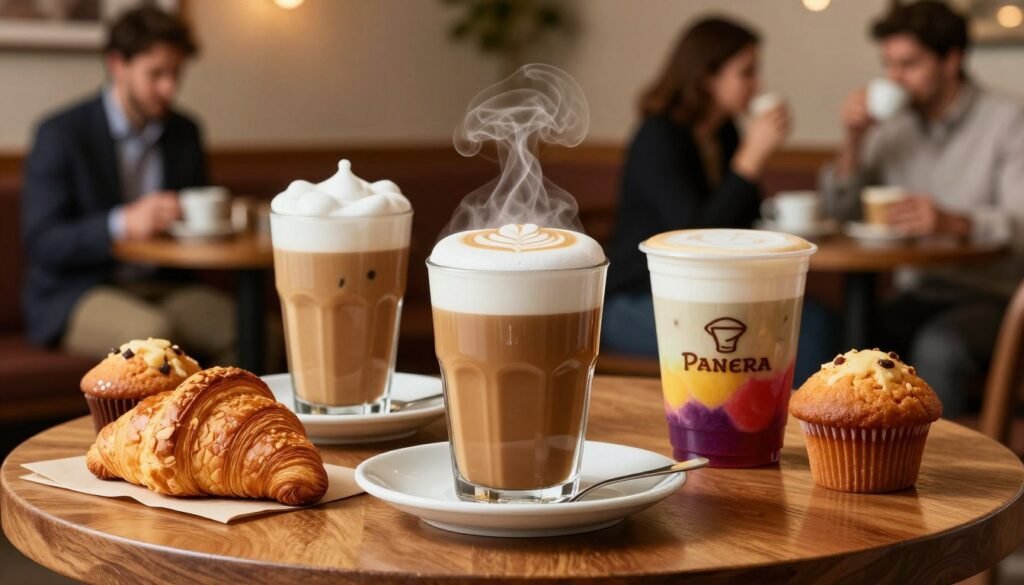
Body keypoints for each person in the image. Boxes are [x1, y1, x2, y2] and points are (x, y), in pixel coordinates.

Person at [821, 1, 1024, 418]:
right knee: (845, 339)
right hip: (918, 290)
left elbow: (1020, 225)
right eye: (889, 64)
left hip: (994, 297)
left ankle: (936, 473)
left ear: (952, 60)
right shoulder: (892, 127)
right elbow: (836, 212)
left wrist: (954, 222)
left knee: (940, 345)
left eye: (908, 64)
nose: (894, 78)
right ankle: (847, 460)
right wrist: (853, 141)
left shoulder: (1008, 120)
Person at [603, 16, 835, 381]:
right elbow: (695, 235)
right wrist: (749, 160)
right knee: (792, 337)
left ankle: (826, 428)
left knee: (818, 321)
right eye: (747, 73)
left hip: (711, 291)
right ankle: (778, 427)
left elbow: (746, 218)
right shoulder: (658, 136)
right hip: (638, 299)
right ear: (707, 76)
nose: (758, 85)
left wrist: (748, 162)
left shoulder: (723, 133)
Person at [21, 6, 236, 364]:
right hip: (77, 292)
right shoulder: (62, 133)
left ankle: (232, 421)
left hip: (165, 285)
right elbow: (43, 242)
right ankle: (165, 424)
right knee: (154, 336)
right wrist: (120, 223)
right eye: (156, 74)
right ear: (117, 64)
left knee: (250, 329)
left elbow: (194, 225)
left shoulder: (184, 132)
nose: (168, 88)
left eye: (175, 74)